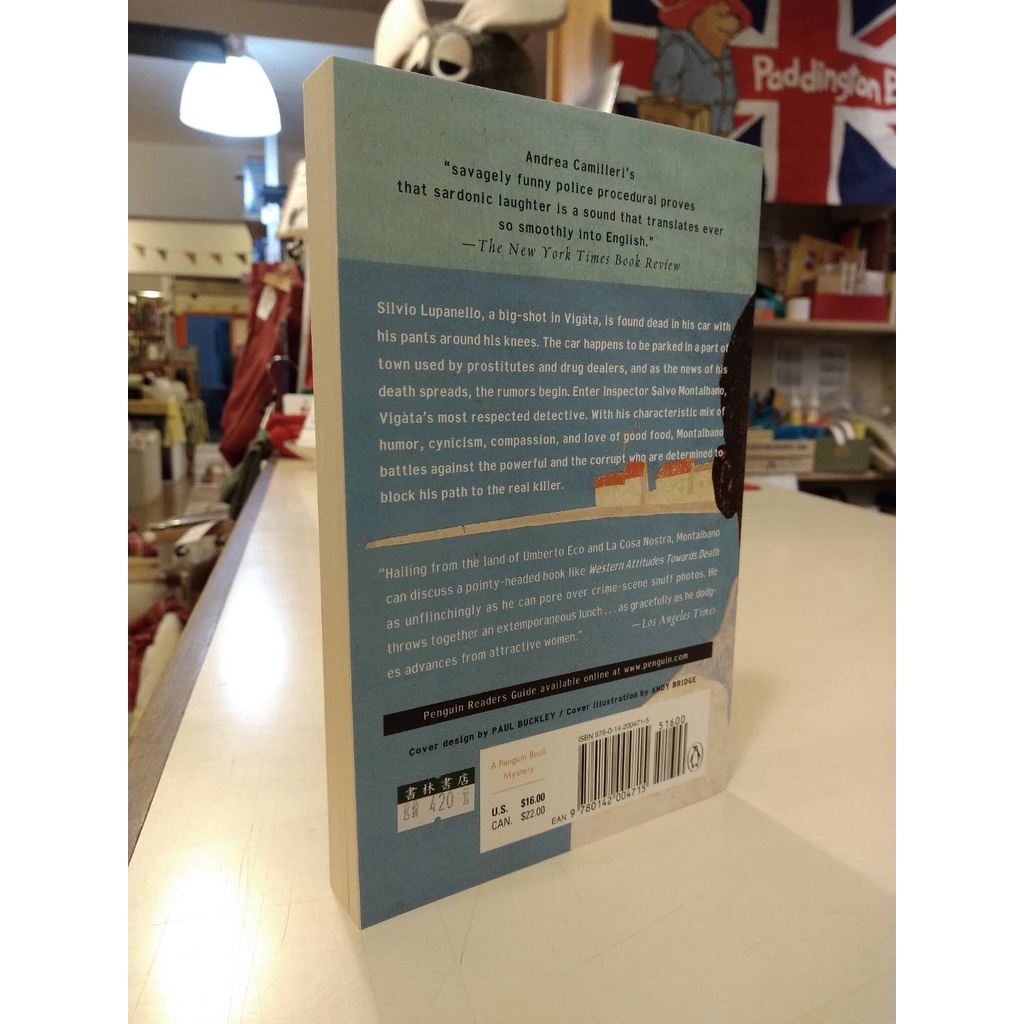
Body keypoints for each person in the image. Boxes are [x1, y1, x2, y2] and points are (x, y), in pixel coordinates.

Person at [650, 0, 752, 136]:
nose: (734, 23)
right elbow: (664, 79)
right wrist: (673, 110)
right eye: (722, 15)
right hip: (687, 131)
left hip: (720, 131)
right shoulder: (680, 50)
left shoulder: (724, 56)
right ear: (696, 17)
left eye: (736, 17)